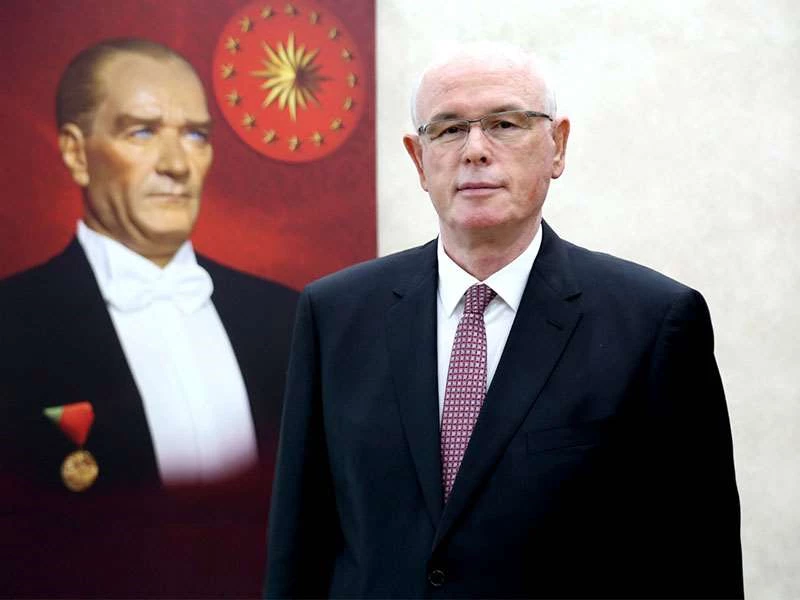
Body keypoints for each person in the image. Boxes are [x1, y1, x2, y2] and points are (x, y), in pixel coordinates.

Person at [265, 42, 743, 598]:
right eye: (448, 129)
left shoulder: (653, 323)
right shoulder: (335, 314)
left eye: (504, 124)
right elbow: (300, 544)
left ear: (557, 146)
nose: (475, 150)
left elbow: (698, 559)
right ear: (418, 160)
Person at [0, 38, 297, 597]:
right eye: (142, 131)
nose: (177, 165)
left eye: (195, 135)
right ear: (76, 153)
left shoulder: (286, 317)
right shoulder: (12, 326)